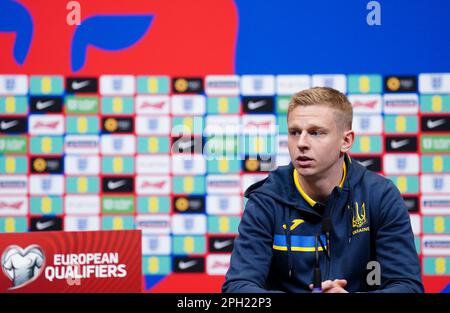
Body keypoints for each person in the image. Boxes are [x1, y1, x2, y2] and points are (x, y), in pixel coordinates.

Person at [222, 87, 423, 293]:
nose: (301, 143)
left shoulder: (379, 196)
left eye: (316, 133)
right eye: (294, 132)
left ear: (346, 141)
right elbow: (238, 287)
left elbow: (407, 286)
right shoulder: (267, 199)